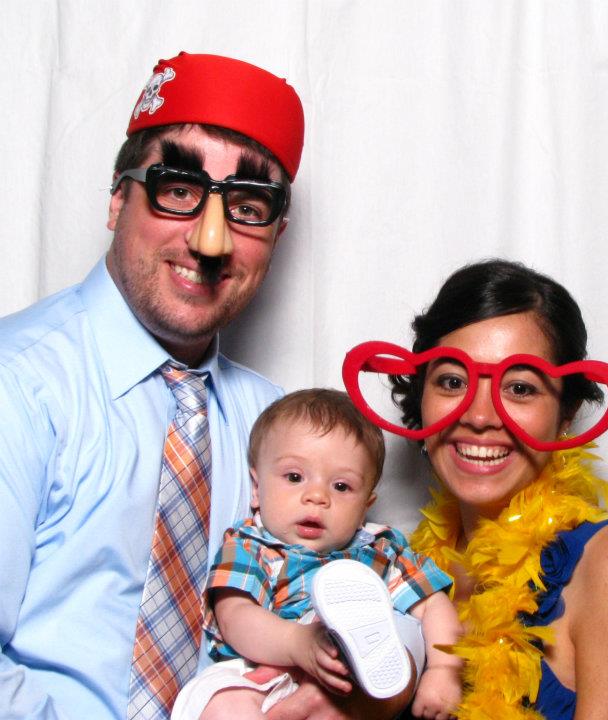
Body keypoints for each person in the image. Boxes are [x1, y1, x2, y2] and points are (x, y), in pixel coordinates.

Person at [0, 52, 306, 719]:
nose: (211, 240)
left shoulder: (272, 422)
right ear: (118, 199)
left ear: (276, 235)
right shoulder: (16, 386)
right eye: (178, 190)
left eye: (247, 207)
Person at [342, 259, 608, 719]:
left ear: (566, 414)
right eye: (452, 382)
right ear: (421, 397)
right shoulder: (408, 566)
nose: (480, 416)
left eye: (521, 389)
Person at [171, 389, 462, 720]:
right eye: (294, 477)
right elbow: (234, 616)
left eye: (341, 486)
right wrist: (296, 643)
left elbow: (433, 605)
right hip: (260, 671)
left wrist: (444, 670)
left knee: (364, 678)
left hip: (345, 680)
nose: (317, 496)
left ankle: (349, 643)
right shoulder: (250, 546)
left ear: (365, 505)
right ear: (256, 488)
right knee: (223, 703)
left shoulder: (379, 551)